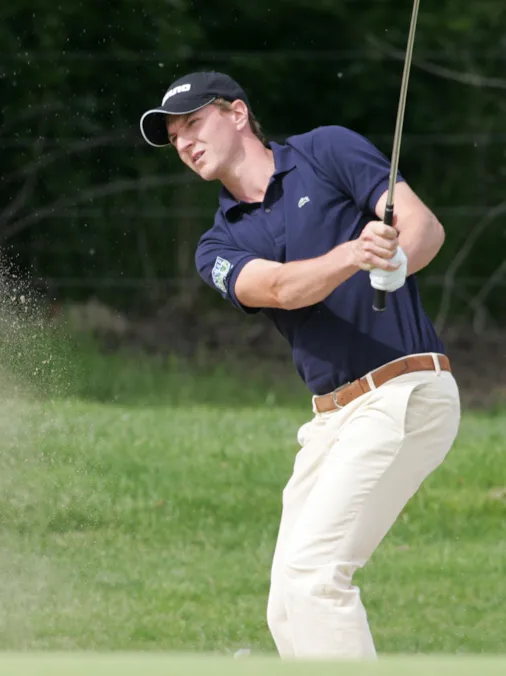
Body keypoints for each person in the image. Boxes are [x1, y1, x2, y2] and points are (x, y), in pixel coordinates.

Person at [139, 71, 461, 659]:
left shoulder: (326, 150)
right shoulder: (217, 245)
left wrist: (400, 261)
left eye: (193, 123)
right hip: (331, 420)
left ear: (237, 114)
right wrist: (354, 255)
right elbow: (281, 289)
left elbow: (422, 225)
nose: (183, 142)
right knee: (287, 603)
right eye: (174, 136)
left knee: (314, 576)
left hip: (403, 390)